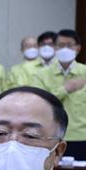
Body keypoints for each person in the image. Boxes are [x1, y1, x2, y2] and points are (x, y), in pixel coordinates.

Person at [32, 29, 86, 160]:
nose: (65, 49)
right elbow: (38, 104)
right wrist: (65, 89)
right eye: (61, 45)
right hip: (50, 136)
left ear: (78, 48)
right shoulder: (41, 75)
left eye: (69, 45)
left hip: (81, 137)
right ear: (55, 48)